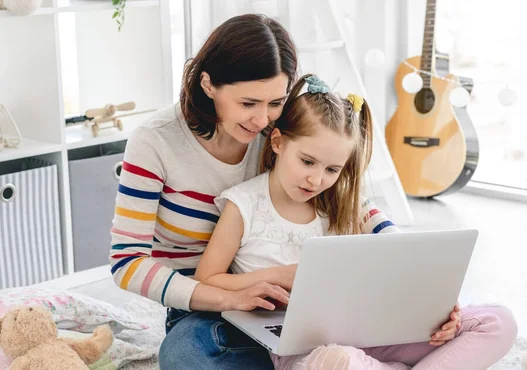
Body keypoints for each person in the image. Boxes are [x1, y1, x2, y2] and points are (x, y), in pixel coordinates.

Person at [109, 15, 398, 370]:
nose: (262, 121)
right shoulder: (154, 142)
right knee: (184, 353)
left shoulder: (278, 135)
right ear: (208, 84)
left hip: (302, 307)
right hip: (208, 308)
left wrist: (397, 246)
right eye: (248, 103)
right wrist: (231, 296)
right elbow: (127, 262)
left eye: (275, 102)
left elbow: (353, 203)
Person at [196, 74, 518, 370]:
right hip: (304, 349)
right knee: (339, 361)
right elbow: (207, 279)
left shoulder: (345, 200)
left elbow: (397, 246)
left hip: (378, 333)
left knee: (498, 321)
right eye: (307, 161)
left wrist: (438, 305)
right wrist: (279, 276)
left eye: (332, 170)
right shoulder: (243, 205)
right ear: (278, 142)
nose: (316, 179)